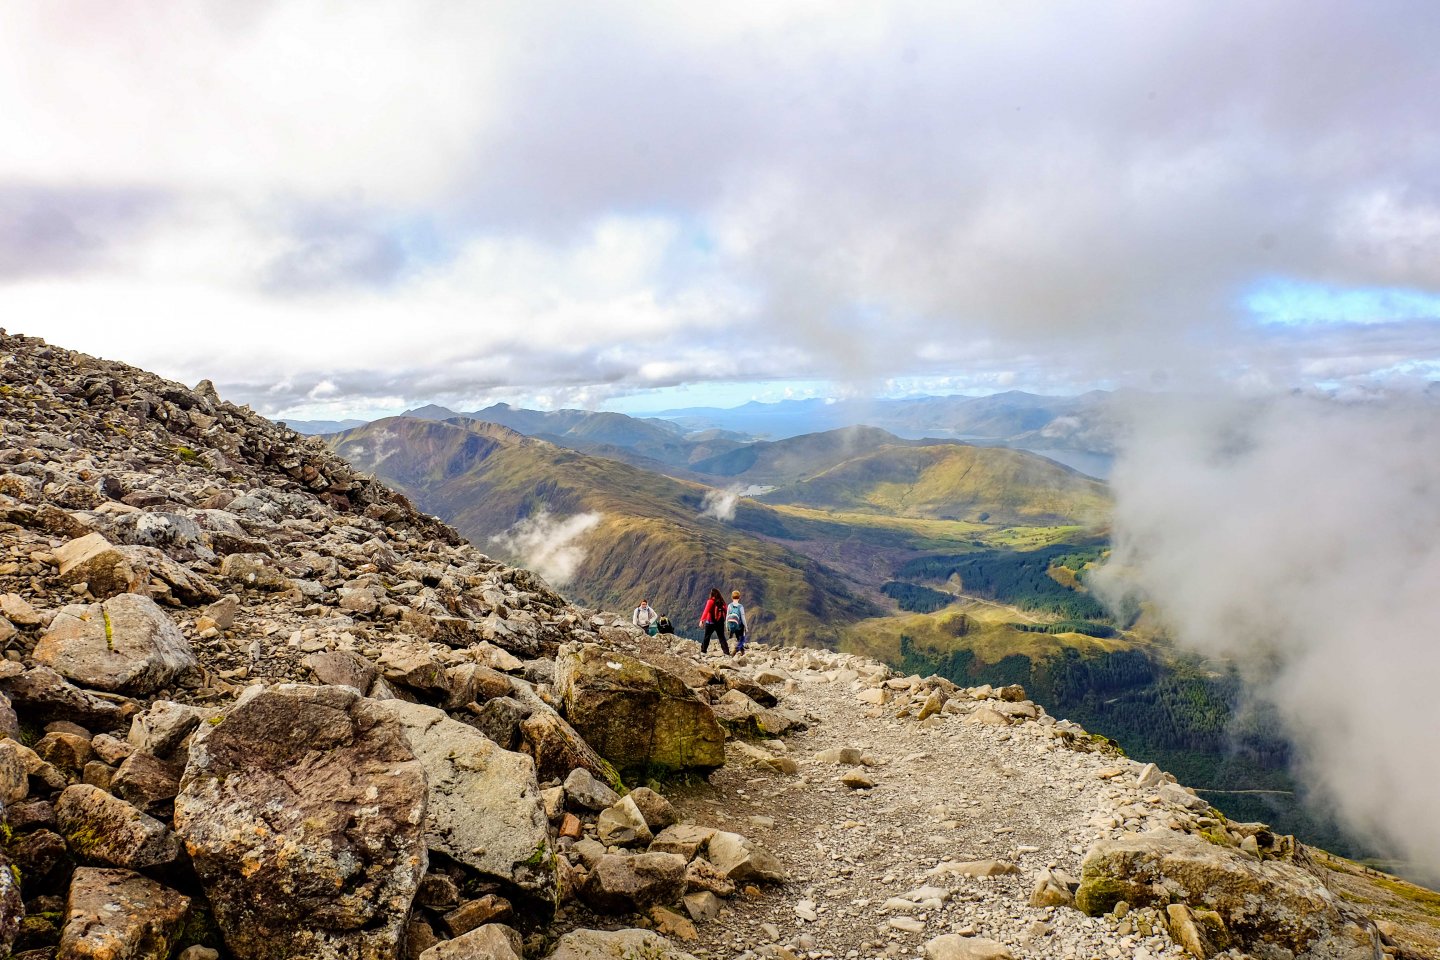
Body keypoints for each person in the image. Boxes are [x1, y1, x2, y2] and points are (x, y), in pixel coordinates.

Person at [698, 588, 730, 656]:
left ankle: (703, 651)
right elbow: (726, 611)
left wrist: (702, 620)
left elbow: (706, 611)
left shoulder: (710, 601)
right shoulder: (722, 602)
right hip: (720, 623)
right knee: (722, 637)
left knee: (707, 636)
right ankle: (726, 652)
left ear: (711, 594)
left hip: (710, 622)